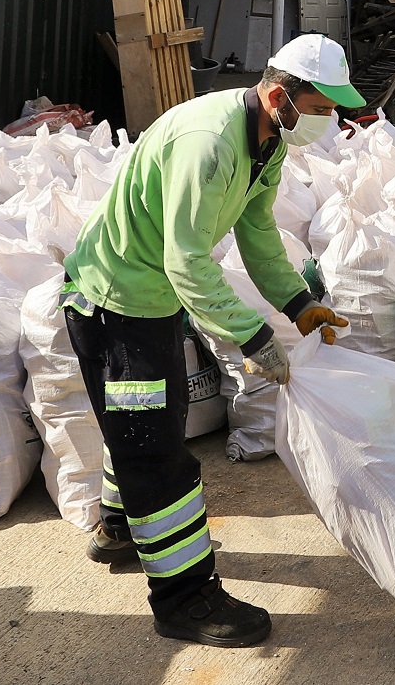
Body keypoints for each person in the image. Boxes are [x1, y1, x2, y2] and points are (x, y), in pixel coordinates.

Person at [61, 34, 356, 648]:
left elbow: (258, 232)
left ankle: (118, 527)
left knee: (143, 424)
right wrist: (252, 337)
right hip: (116, 304)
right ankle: (185, 598)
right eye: (322, 107)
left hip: (150, 299)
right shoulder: (211, 143)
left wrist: (299, 305)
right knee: (159, 455)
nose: (329, 121)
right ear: (280, 94)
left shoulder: (266, 140)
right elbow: (187, 262)